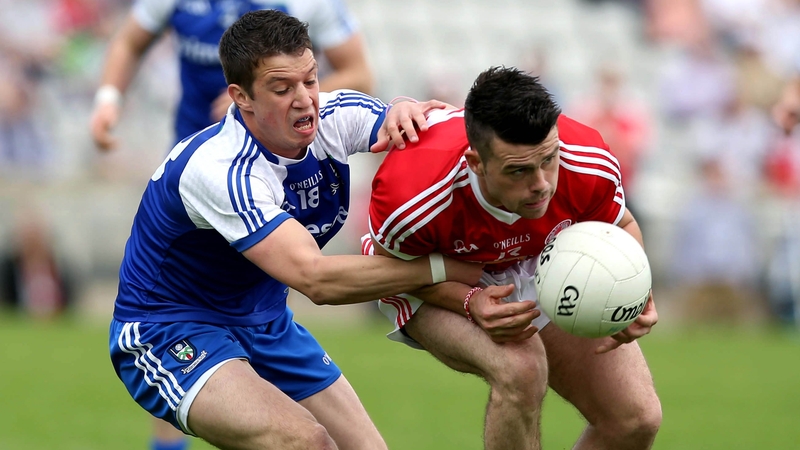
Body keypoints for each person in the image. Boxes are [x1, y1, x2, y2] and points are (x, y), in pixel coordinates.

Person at [107, 10, 483, 450]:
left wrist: (406, 109)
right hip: (170, 327)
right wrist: (442, 268)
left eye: (310, 80)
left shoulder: (334, 115)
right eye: (282, 89)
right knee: (304, 442)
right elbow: (316, 280)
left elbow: (413, 127)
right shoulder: (223, 170)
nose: (305, 99)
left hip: (266, 321)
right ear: (240, 97)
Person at [363, 67, 662, 450]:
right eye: (518, 171)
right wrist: (467, 301)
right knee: (522, 369)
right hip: (433, 276)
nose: (541, 184)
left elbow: (622, 224)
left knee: (635, 419)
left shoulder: (586, 159)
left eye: (548, 160)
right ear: (476, 163)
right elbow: (388, 272)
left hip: (540, 260)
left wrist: (636, 291)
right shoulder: (411, 195)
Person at [90, 0, 373, 151]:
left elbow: (359, 76)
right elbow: (129, 43)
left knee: (279, 258)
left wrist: (262, 99)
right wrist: (108, 99)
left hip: (279, 161)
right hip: (194, 144)